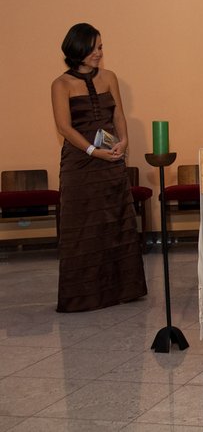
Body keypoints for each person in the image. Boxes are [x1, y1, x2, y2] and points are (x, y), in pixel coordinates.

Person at [50, 23, 147, 312]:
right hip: (80, 164)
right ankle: (83, 296)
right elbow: (64, 127)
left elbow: (118, 114)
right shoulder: (61, 84)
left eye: (101, 47)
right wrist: (93, 151)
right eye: (94, 48)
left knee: (114, 221)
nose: (99, 53)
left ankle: (122, 290)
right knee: (83, 226)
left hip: (111, 160)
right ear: (77, 49)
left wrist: (124, 142)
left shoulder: (109, 77)